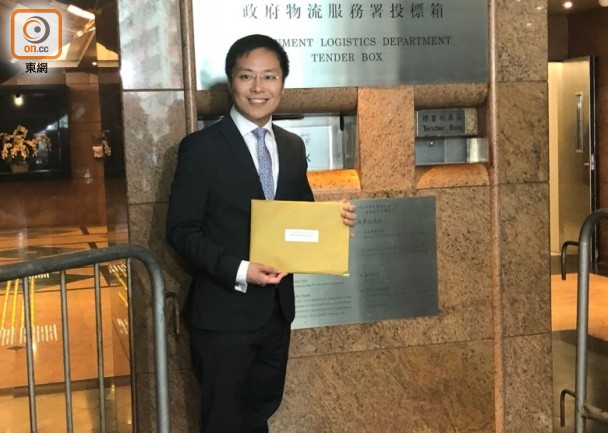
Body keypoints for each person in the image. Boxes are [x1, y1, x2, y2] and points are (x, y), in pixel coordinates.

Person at [166, 34, 356, 433]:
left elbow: (298, 215)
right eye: (246, 76)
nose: (258, 87)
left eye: (269, 76)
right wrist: (241, 270)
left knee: (258, 417)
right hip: (222, 317)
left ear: (282, 83)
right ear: (231, 82)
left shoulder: (290, 146)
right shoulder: (201, 148)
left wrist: (333, 224)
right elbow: (182, 231)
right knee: (223, 423)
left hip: (275, 315)